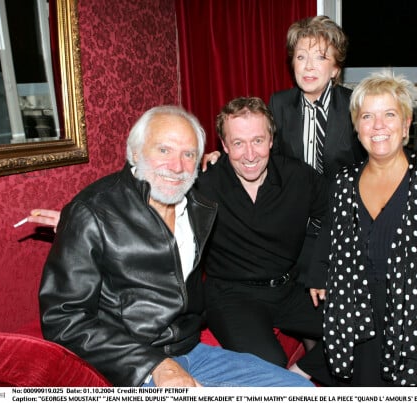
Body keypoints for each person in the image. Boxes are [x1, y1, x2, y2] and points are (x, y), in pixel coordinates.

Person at [38, 105, 313, 387]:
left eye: (188, 154)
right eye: (164, 150)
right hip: (128, 362)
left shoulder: (198, 205)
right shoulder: (92, 212)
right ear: (135, 152)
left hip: (190, 350)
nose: (177, 166)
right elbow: (63, 318)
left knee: (300, 389)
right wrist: (153, 364)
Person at [308, 72, 417, 386]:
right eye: (367, 116)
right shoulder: (344, 182)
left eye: (389, 114)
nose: (378, 126)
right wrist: (320, 274)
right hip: (364, 302)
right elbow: (330, 231)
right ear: (356, 126)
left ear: (406, 123)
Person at [195, 97, 330, 381]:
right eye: (238, 143)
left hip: (289, 288)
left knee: (364, 324)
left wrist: (320, 271)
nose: (249, 154)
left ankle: (300, 373)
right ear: (224, 144)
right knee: (269, 365)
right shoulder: (204, 183)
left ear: (271, 139)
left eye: (257, 140)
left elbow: (339, 217)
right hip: (232, 296)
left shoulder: (298, 177)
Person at [268, 15, 365, 180]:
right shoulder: (279, 104)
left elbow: (370, 165)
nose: (308, 66)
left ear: (335, 69)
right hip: (294, 201)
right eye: (301, 57)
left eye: (320, 57)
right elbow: (268, 161)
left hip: (342, 201)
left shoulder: (355, 105)